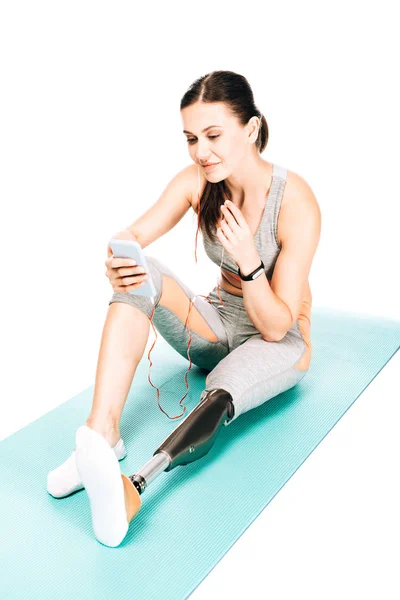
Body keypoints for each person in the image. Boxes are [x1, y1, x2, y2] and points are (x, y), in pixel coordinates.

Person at [47, 70, 321, 547]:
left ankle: (134, 489)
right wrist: (119, 263)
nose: (201, 151)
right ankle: (101, 436)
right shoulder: (198, 181)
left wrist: (250, 261)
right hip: (217, 325)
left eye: (213, 135)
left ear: (251, 129)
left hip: (277, 339)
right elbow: (133, 236)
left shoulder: (295, 200)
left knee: (222, 388)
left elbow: (278, 326)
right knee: (144, 270)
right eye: (192, 138)